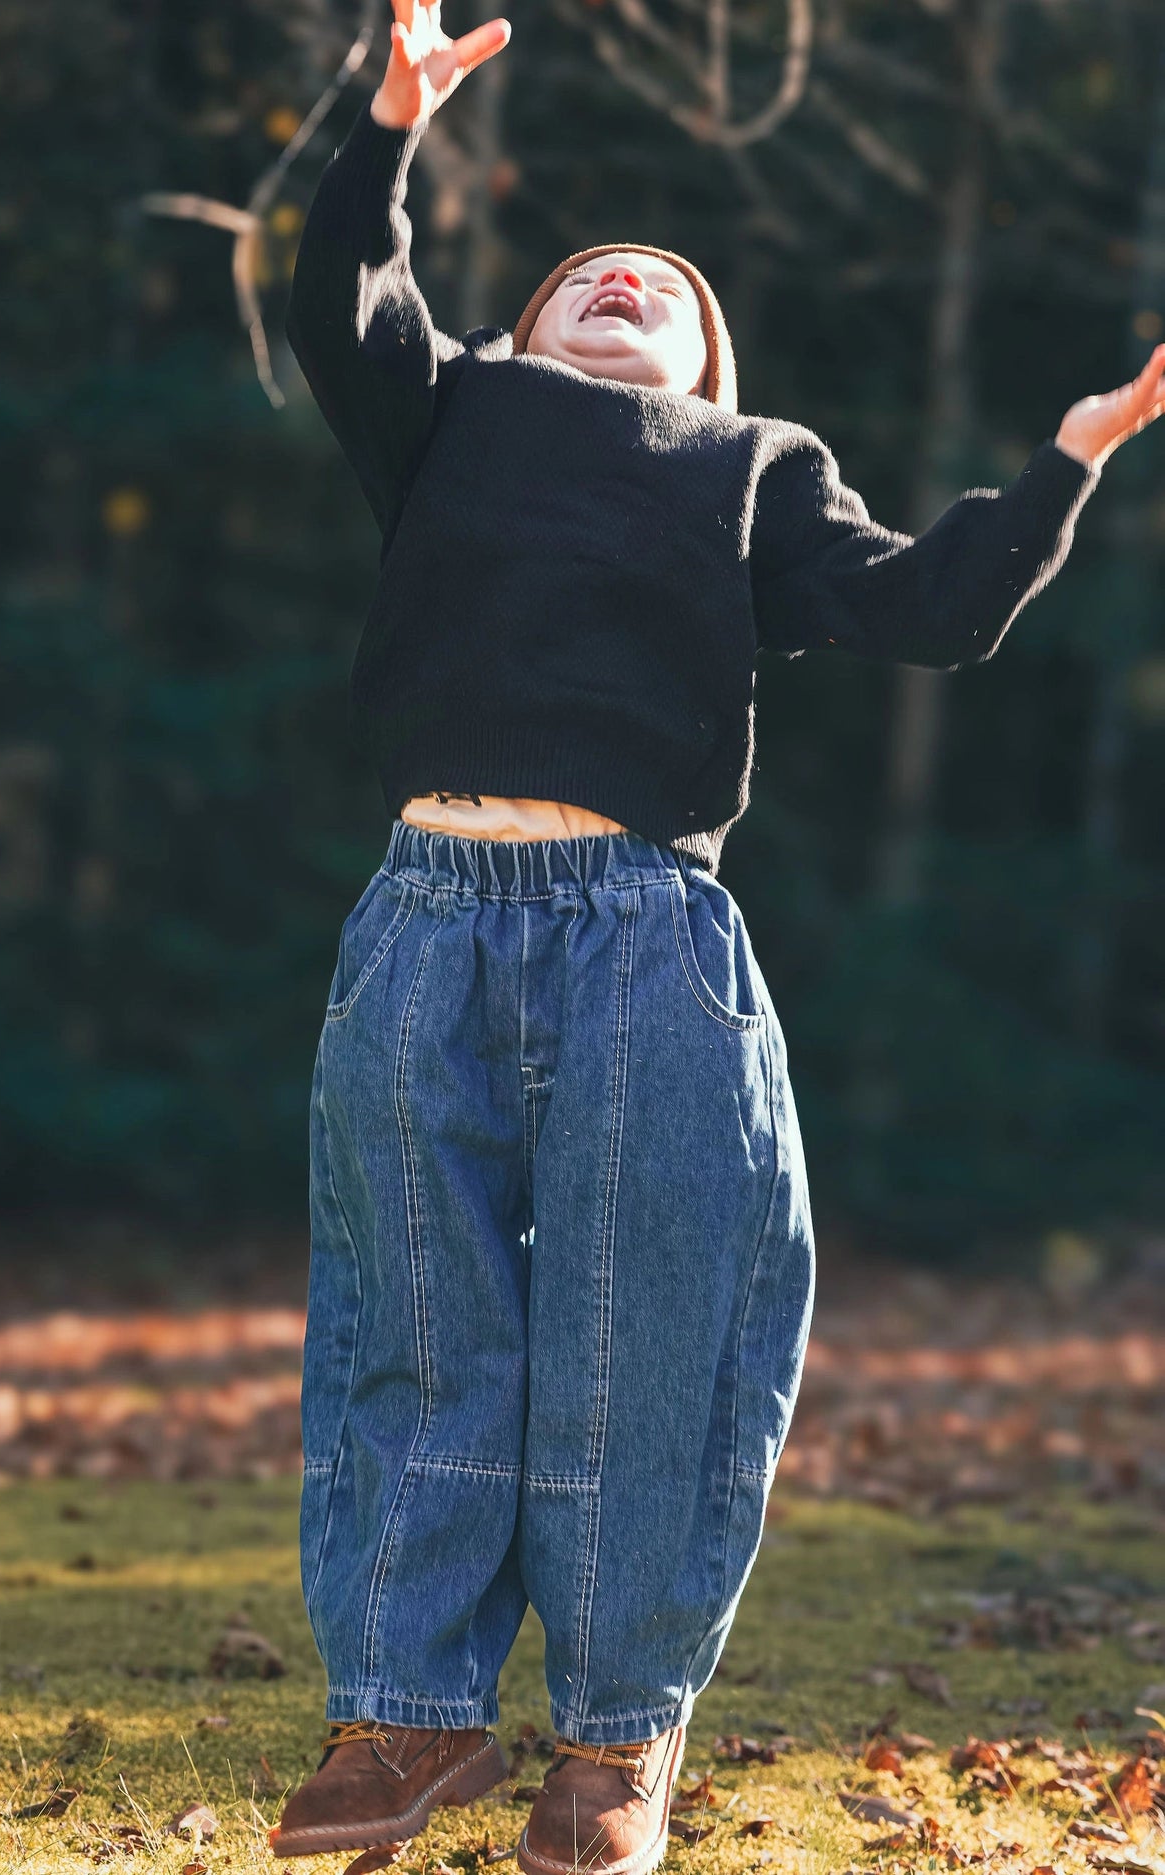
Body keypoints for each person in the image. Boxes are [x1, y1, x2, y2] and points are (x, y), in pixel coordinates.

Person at [273, 4, 1165, 1872]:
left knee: (653, 1321)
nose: (617, 282)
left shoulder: (751, 466)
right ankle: (407, 1713)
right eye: (583, 275)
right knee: (416, 1319)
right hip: (429, 918)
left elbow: (929, 611)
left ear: (705, 362)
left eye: (654, 286)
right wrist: (389, 126)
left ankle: (614, 1746)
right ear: (518, 337)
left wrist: (1068, 465)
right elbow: (338, 299)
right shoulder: (448, 418)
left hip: (642, 935)